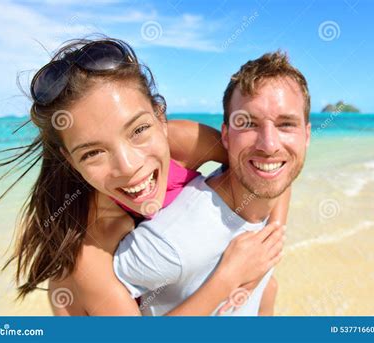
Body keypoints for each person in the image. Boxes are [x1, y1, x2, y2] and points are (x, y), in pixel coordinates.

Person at [0, 38, 287, 316]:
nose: (128, 166)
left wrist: (270, 244)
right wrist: (228, 279)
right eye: (92, 153)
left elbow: (275, 163)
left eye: (138, 130)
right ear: (70, 162)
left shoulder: (184, 142)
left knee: (269, 289)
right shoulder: (91, 245)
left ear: (160, 117)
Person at [113, 50, 311, 316]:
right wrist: (226, 280)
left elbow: (282, 174)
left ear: (306, 136)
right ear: (226, 136)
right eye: (249, 124)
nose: (270, 145)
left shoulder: (268, 191)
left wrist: (275, 233)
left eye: (286, 125)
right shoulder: (169, 242)